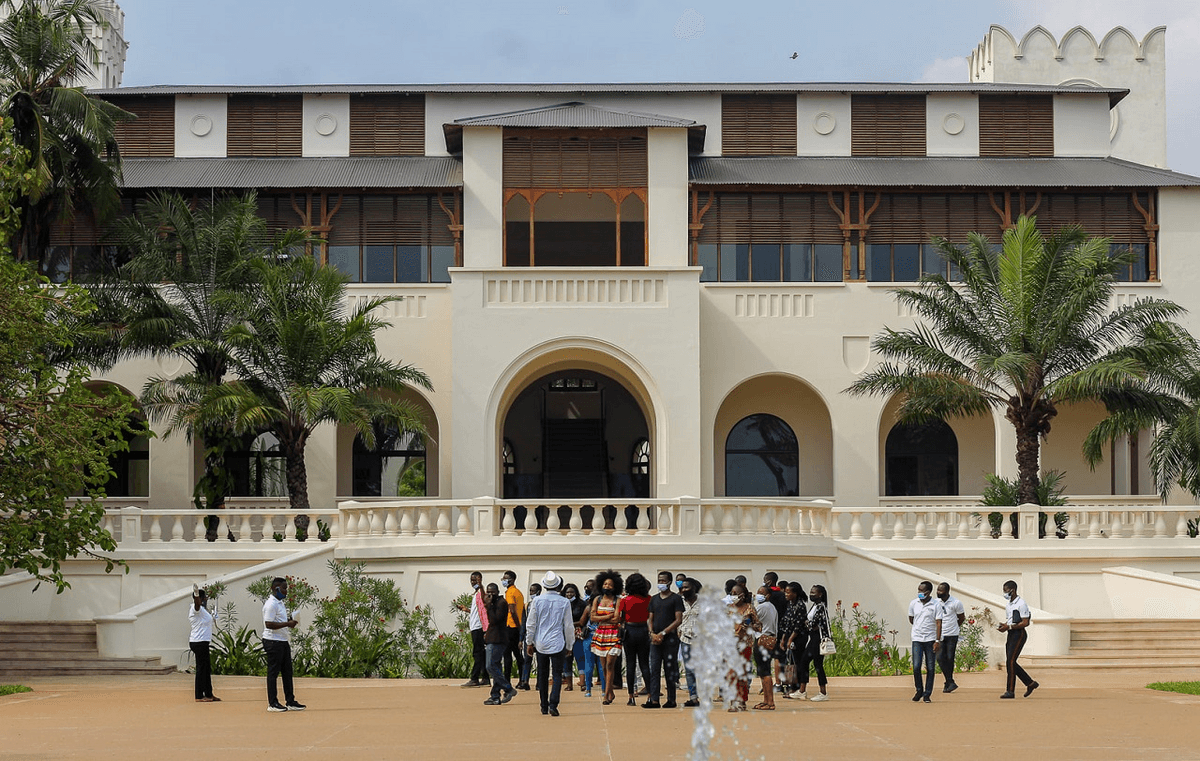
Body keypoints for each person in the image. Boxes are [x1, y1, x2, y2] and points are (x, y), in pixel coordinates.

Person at [526, 571, 574, 716]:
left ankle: (543, 705)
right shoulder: (564, 602)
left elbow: (531, 623)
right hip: (558, 641)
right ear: (559, 586)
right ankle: (553, 703)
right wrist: (569, 645)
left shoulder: (537, 601)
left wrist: (529, 642)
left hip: (541, 642)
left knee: (543, 674)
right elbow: (568, 626)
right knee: (557, 674)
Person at [262, 577, 304, 712]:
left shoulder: (279, 603)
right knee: (273, 673)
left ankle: (290, 701)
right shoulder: (271, 604)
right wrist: (287, 623)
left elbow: (278, 620)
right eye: (284, 588)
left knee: (287, 672)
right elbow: (268, 624)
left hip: (282, 640)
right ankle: (272, 703)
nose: (286, 591)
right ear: (276, 588)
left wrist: (290, 621)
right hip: (273, 641)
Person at [645, 570, 684, 709]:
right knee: (654, 669)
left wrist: (663, 633)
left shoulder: (676, 599)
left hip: (670, 640)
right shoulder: (654, 599)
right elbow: (650, 618)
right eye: (659, 580)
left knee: (669, 669)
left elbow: (678, 619)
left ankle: (671, 700)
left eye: (663, 581)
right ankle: (654, 699)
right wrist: (652, 633)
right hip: (655, 640)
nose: (661, 583)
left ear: (669, 582)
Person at [999, 580, 1039, 699]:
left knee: (1010, 662)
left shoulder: (1021, 603)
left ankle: (1010, 691)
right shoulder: (1009, 604)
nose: (1005, 593)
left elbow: (1025, 622)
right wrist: (1005, 626)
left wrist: (1009, 626)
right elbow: (1011, 620)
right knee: (1010, 662)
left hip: (1019, 634)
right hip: (1011, 633)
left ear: (1013, 590)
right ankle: (1030, 683)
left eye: (1006, 591)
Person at [619, 572, 653, 706]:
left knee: (630, 664)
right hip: (644, 630)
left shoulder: (625, 600)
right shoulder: (649, 599)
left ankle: (631, 696)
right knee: (644, 664)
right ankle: (650, 694)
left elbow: (620, 618)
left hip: (629, 631)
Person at [590, 569, 624, 705]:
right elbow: (592, 618)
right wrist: (608, 616)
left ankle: (606, 695)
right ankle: (609, 691)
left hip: (613, 634)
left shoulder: (618, 600)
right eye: (604, 584)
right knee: (603, 667)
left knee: (610, 664)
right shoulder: (597, 600)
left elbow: (617, 619)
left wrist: (602, 618)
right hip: (600, 635)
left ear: (615, 586)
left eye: (609, 584)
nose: (607, 587)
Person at [482, 582, 517, 705]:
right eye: (488, 592)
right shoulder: (492, 603)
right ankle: (495, 696)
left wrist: (489, 606)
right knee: (496, 667)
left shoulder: (502, 603)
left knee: (490, 666)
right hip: (492, 637)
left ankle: (508, 688)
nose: (490, 594)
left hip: (498, 639)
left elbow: (495, 620)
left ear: (497, 591)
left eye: (493, 592)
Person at [728, 584, 760, 712]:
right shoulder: (728, 609)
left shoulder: (749, 608)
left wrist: (750, 625)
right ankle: (732, 700)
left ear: (743, 595)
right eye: (732, 593)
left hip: (744, 645)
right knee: (731, 674)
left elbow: (758, 626)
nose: (733, 595)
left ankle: (741, 700)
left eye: (736, 593)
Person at [797, 584, 830, 702]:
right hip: (813, 638)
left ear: (820, 594)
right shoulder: (815, 606)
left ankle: (823, 692)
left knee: (817, 665)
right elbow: (810, 624)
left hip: (818, 639)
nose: (811, 594)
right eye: (810, 592)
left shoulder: (821, 607)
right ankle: (802, 690)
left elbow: (814, 623)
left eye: (814, 592)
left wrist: (808, 624)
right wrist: (808, 624)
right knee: (804, 661)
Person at [908, 580, 939, 703]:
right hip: (917, 639)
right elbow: (911, 619)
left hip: (930, 640)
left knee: (930, 668)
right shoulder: (913, 603)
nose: (920, 593)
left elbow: (938, 623)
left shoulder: (935, 605)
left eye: (922, 590)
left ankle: (927, 694)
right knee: (916, 666)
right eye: (918, 590)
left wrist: (937, 640)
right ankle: (919, 690)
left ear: (929, 592)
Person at [778, 582, 808, 699]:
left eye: (788, 592)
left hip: (798, 637)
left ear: (795, 593)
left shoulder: (800, 606)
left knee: (799, 662)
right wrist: (783, 639)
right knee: (790, 663)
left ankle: (800, 688)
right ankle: (792, 686)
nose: (786, 594)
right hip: (790, 635)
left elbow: (798, 625)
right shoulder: (790, 604)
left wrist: (790, 639)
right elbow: (787, 623)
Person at [188, 586, 219, 703]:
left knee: (206, 668)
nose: (206, 600)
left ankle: (209, 694)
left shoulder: (203, 610)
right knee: (201, 669)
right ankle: (199, 695)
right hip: (198, 642)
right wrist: (197, 595)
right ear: (199, 599)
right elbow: (197, 604)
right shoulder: (195, 609)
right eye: (204, 598)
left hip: (203, 642)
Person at [461, 571, 490, 689]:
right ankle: (485, 678)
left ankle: (474, 678)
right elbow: (478, 611)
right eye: (472, 580)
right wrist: (467, 610)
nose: (473, 582)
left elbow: (484, 600)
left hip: (479, 627)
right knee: (481, 653)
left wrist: (481, 585)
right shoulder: (476, 594)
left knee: (477, 653)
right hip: (475, 626)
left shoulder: (482, 593)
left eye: (475, 580)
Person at [752, 585, 779, 710]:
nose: (758, 595)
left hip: (763, 639)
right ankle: (766, 700)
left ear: (768, 595)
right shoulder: (772, 607)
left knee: (765, 672)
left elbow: (752, 621)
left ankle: (770, 702)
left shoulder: (762, 607)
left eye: (761, 593)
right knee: (763, 671)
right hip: (770, 639)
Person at [936, 582, 965, 693]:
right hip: (939, 634)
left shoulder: (956, 602)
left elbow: (961, 617)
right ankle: (950, 681)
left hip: (952, 634)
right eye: (938, 590)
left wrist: (954, 627)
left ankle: (948, 683)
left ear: (947, 592)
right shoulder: (935, 602)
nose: (938, 592)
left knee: (949, 658)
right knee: (939, 657)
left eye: (941, 591)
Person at [500, 570, 526, 689]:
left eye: (506, 578)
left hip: (511, 626)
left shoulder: (510, 593)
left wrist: (518, 626)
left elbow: (512, 610)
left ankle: (506, 681)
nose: (504, 580)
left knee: (507, 655)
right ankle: (522, 679)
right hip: (516, 627)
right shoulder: (518, 592)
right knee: (518, 655)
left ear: (512, 579)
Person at [678, 577, 701, 707]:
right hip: (685, 639)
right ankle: (693, 698)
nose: (684, 590)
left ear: (694, 588)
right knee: (689, 670)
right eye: (682, 587)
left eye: (686, 587)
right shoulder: (679, 602)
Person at [518, 582, 541, 689]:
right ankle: (524, 681)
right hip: (529, 636)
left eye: (533, 591)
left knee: (540, 661)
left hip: (540, 636)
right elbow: (524, 622)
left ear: (539, 592)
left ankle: (540, 682)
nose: (531, 593)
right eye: (530, 591)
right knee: (527, 659)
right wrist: (521, 639)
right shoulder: (527, 605)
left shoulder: (542, 604)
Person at [562, 583, 584, 692]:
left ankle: (583, 683)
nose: (569, 594)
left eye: (572, 592)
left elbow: (582, 621)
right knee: (567, 660)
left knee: (580, 658)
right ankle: (569, 685)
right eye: (567, 592)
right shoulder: (561, 603)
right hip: (564, 635)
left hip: (577, 634)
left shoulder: (581, 604)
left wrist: (569, 624)